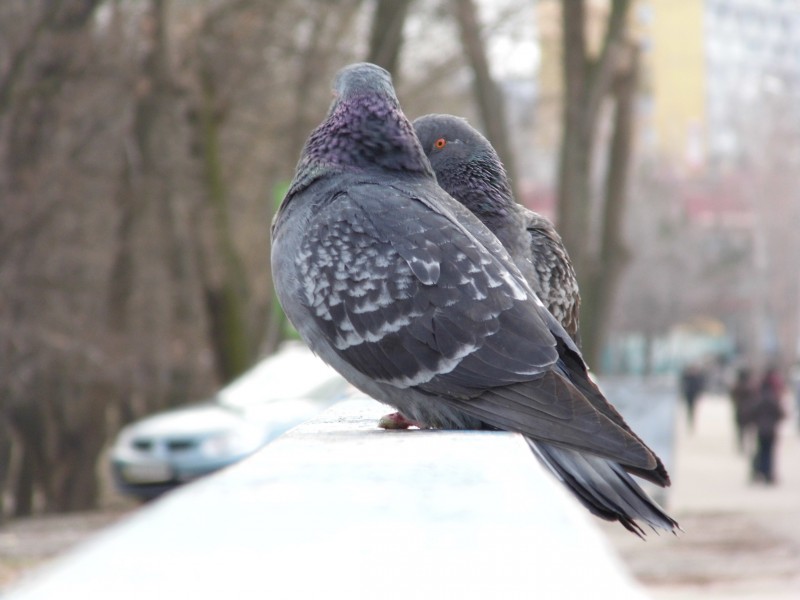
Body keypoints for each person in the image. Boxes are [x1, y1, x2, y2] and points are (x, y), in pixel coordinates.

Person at [750, 365, 787, 484]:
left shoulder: (758, 400)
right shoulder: (773, 400)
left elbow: (752, 413)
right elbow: (782, 414)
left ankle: (762, 471)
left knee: (762, 451)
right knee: (769, 452)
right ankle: (768, 474)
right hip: (771, 430)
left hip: (760, 430)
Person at [729, 367, 757, 453]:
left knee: (740, 430)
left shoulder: (736, 386)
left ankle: (741, 446)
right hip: (750, 411)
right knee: (750, 430)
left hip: (740, 410)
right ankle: (750, 446)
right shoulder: (751, 386)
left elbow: (732, 397)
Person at [680, 363, 706, 431]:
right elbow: (683, 385)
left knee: (693, 409)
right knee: (689, 408)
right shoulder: (687, 377)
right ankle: (689, 422)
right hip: (689, 394)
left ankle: (692, 422)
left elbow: (699, 386)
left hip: (694, 395)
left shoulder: (697, 377)